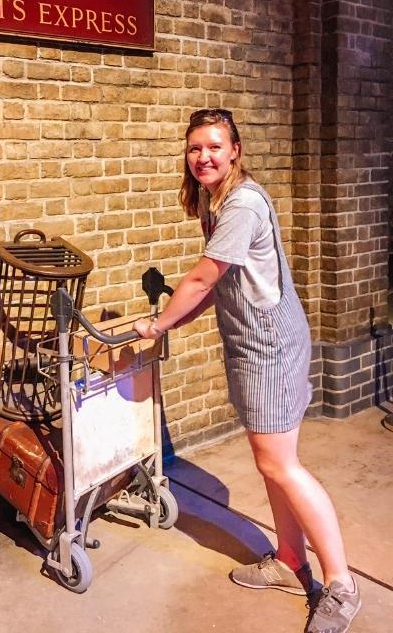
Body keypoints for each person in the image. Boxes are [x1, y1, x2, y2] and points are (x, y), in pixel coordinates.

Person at [134, 109, 361, 633]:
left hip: (270, 348)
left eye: (214, 146)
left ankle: (342, 584)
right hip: (252, 342)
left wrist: (158, 325)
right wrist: (173, 322)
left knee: (283, 466)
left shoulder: (241, 203)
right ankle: (290, 560)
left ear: (235, 149)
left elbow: (202, 276)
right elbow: (217, 285)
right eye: (195, 148)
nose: (203, 157)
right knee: (272, 462)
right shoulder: (215, 204)